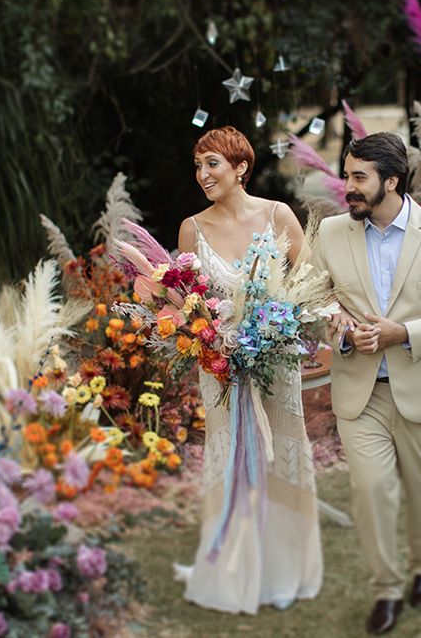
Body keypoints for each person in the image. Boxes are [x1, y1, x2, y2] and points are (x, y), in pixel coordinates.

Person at [310, 132, 421, 635]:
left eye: (359, 177)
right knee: (370, 491)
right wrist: (342, 333)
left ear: (392, 180)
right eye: (347, 175)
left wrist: (403, 332)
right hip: (359, 395)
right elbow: (315, 303)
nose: (349, 187)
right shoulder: (332, 234)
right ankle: (386, 590)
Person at [175, 126, 323, 614]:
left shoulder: (277, 215)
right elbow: (186, 301)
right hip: (219, 362)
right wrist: (206, 335)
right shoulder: (191, 229)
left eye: (212, 163)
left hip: (275, 355)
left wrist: (283, 326)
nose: (202, 174)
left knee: (284, 445)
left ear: (240, 168)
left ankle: (283, 567)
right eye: (198, 165)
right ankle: (234, 565)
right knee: (228, 449)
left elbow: (309, 282)